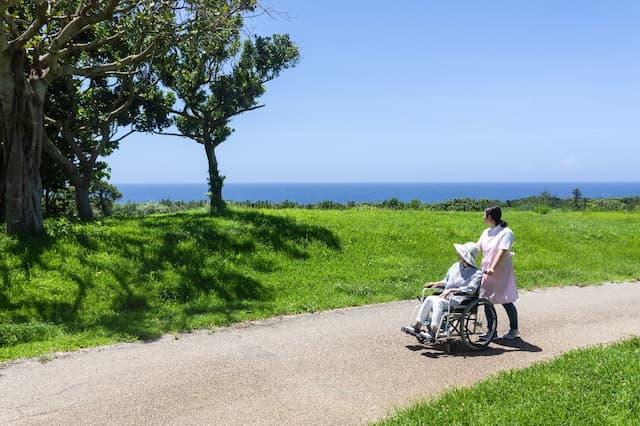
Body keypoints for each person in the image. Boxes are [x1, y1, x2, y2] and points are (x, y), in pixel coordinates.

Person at [402, 242, 483, 342]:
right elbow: (446, 281)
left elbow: (471, 289)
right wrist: (435, 283)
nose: (458, 255)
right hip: (446, 298)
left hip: (459, 301)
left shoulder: (477, 273)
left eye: (461, 254)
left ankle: (433, 331)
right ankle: (417, 327)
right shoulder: (455, 266)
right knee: (430, 298)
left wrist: (452, 290)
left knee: (438, 301)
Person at [477, 205, 519, 340]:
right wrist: (465, 253)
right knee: (486, 299)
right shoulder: (486, 232)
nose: (483, 218)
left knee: (505, 299)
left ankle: (513, 330)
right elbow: (477, 247)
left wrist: (493, 267)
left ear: (489, 217)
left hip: (500, 271)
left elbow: (502, 251)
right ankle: (492, 331)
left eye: (484, 215)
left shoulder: (506, 232)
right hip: (486, 270)